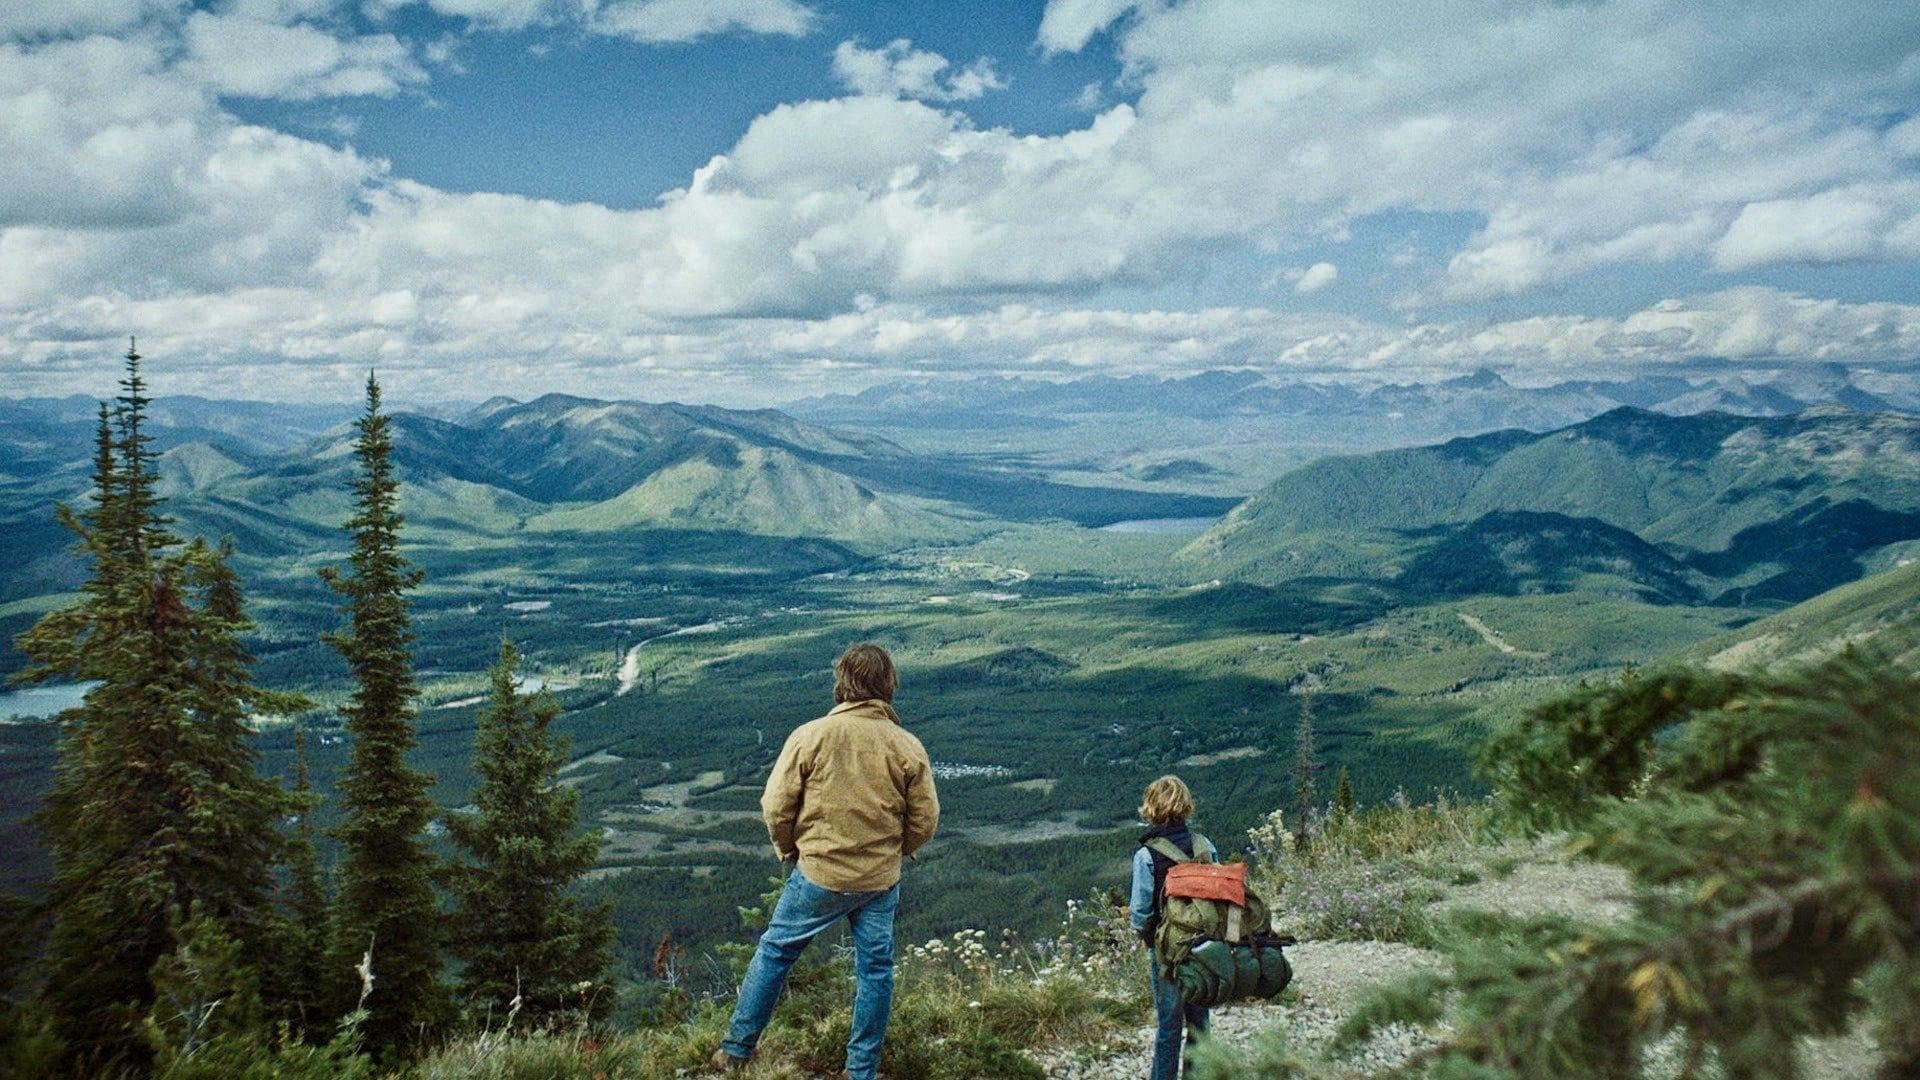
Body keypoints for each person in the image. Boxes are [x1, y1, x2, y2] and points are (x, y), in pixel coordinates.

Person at [710, 643, 940, 1078]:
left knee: (776, 952)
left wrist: (790, 850)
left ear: (843, 683)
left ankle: (736, 1052)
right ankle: (861, 1071)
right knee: (875, 971)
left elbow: (776, 805)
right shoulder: (906, 745)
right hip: (878, 880)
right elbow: (925, 819)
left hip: (817, 873)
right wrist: (897, 851)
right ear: (888, 685)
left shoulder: (810, 736)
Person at [1129, 775, 1217, 1080]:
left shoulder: (1146, 855)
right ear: (1186, 806)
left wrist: (1147, 938)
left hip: (1167, 950)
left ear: (1151, 808)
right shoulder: (1204, 845)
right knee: (1199, 1021)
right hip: (1205, 946)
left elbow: (1141, 912)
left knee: (1169, 1025)